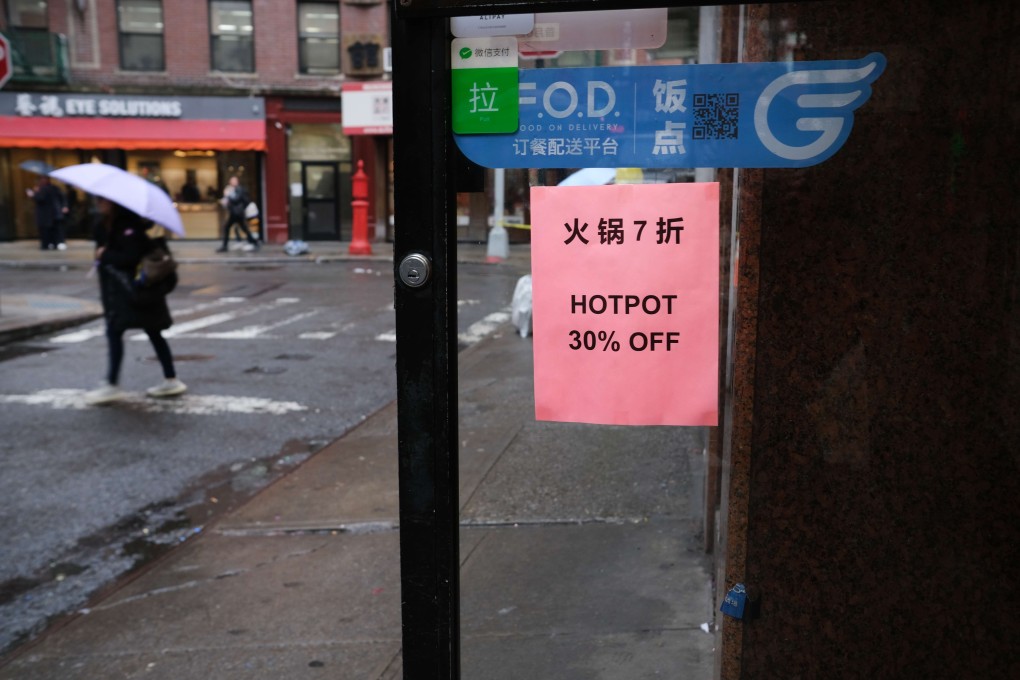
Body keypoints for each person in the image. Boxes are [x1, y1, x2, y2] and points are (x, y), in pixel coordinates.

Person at [85, 198, 187, 405]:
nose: (98, 203)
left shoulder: (129, 227)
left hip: (135, 292)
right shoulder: (104, 225)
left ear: (114, 203)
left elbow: (129, 257)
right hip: (121, 293)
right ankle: (168, 379)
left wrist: (105, 254)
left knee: (142, 332)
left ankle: (114, 385)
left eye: (102, 200)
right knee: (124, 332)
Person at [217, 175, 260, 252]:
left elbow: (236, 199)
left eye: (234, 181)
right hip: (235, 212)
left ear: (237, 182)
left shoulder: (239, 189)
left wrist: (228, 195)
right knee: (243, 228)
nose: (232, 182)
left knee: (227, 227)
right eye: (231, 181)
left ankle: (225, 246)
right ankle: (254, 242)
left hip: (237, 213)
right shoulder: (232, 189)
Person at [27, 176, 68, 250]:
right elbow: (62, 197)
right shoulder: (53, 188)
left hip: (47, 214)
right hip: (53, 213)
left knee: (47, 230)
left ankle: (49, 244)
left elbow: (40, 199)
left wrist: (33, 194)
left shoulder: (44, 189)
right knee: (52, 230)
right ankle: (53, 243)